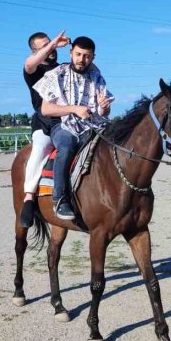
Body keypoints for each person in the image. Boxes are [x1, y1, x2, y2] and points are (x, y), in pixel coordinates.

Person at [34, 35, 113, 220]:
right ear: (70, 53)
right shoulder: (55, 74)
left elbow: (103, 114)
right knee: (67, 144)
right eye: (78, 54)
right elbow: (46, 109)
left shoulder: (97, 78)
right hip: (62, 125)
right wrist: (74, 109)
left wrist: (104, 107)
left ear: (93, 57)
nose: (81, 59)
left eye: (86, 56)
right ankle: (60, 199)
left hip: (92, 125)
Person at [20, 30, 70, 227]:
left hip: (67, 119)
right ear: (34, 51)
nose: (52, 49)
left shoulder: (63, 69)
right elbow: (29, 63)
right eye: (45, 47)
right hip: (44, 122)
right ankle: (29, 197)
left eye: (51, 44)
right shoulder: (32, 70)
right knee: (40, 148)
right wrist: (53, 45)